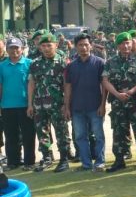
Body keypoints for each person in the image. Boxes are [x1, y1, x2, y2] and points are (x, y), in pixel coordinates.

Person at [102, 32, 136, 172]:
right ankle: (119, 160)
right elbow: (105, 81)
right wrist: (117, 94)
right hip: (118, 103)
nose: (126, 45)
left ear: (132, 43)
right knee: (119, 131)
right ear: (118, 45)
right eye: (122, 43)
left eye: (128, 42)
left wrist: (132, 90)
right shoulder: (110, 62)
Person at [27, 33, 72, 172]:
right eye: (43, 46)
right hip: (39, 105)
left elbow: (67, 85)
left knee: (61, 132)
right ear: (39, 47)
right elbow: (31, 84)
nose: (46, 48)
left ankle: (64, 159)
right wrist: (30, 104)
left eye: (49, 45)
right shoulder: (35, 63)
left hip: (57, 105)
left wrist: (66, 105)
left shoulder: (63, 62)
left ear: (56, 45)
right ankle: (47, 158)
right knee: (42, 132)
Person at [64, 33, 107, 172]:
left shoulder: (100, 63)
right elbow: (68, 87)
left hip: (95, 107)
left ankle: (100, 162)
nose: (83, 47)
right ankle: (86, 163)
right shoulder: (71, 66)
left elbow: (104, 86)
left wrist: (103, 104)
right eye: (80, 45)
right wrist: (67, 107)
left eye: (86, 44)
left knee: (98, 135)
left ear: (91, 46)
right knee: (81, 137)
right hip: (77, 108)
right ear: (75, 47)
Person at [0, 38, 35, 170]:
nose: (14, 50)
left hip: (26, 105)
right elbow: (0, 86)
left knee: (28, 135)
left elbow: (33, 85)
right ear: (7, 50)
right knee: (10, 135)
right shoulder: (2, 66)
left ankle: (29, 162)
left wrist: (31, 104)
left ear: (22, 49)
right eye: (11, 48)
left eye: (17, 48)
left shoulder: (29, 63)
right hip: (7, 105)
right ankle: (13, 162)